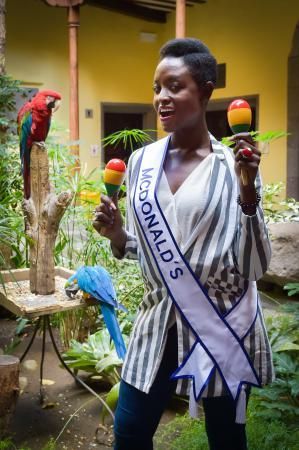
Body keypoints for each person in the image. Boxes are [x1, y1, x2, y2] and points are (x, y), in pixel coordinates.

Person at [93, 38, 273, 450]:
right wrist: (119, 235)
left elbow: (255, 267)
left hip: (221, 325)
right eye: (157, 88)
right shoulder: (142, 162)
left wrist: (248, 194)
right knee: (130, 431)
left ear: (206, 91)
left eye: (175, 87)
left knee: (226, 437)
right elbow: (153, 250)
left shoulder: (236, 165)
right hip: (158, 322)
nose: (162, 98)